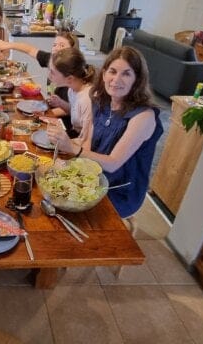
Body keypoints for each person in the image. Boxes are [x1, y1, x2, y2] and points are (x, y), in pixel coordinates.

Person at [47, 46, 164, 219]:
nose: (116, 79)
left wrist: (72, 148)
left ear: (137, 79)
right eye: (113, 71)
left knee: (70, 214)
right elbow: (89, 144)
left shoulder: (143, 117)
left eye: (126, 73)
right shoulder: (100, 100)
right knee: (51, 192)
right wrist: (72, 169)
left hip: (119, 190)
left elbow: (113, 163)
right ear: (104, 74)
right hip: (94, 177)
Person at [0, 31, 80, 127]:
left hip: (63, 123)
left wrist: (44, 113)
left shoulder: (73, 75)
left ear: (72, 51)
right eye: (54, 45)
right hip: (49, 111)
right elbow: (30, 49)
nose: (56, 48)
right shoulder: (53, 59)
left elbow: (70, 110)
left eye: (62, 45)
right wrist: (8, 45)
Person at [45, 47, 95, 140]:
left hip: (81, 141)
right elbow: (74, 112)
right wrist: (60, 103)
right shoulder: (72, 90)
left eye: (52, 72)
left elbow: (87, 141)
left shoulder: (86, 100)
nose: (49, 75)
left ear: (69, 79)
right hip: (74, 135)